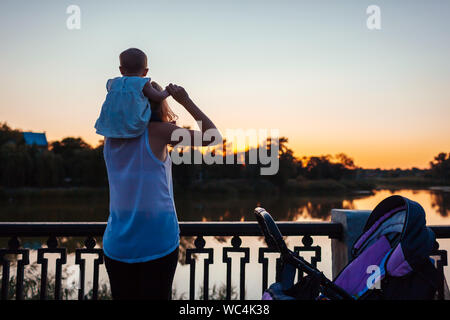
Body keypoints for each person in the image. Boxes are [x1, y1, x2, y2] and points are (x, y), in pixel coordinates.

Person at [102, 82, 221, 300]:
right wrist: (185, 100)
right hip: (157, 239)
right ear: (158, 104)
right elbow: (212, 137)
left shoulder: (111, 137)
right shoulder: (161, 132)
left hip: (117, 242)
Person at [95, 48, 171, 138]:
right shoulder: (142, 83)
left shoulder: (113, 82)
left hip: (110, 123)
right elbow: (157, 97)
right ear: (145, 72)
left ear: (121, 70)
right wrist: (168, 91)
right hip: (132, 124)